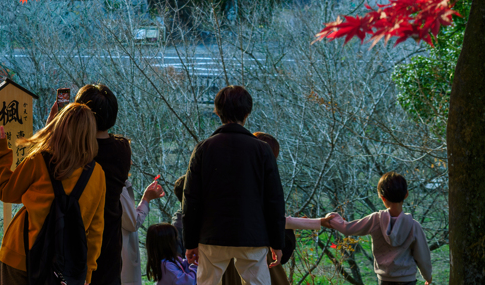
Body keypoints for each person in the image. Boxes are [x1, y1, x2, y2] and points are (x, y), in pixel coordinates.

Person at [0, 101, 107, 285]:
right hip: (63, 267)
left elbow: (7, 192)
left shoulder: (39, 159)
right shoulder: (97, 173)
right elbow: (96, 228)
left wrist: (1, 151)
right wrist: (87, 272)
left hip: (20, 255)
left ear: (59, 127)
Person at [182, 85, 285, 285]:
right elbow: (274, 200)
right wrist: (277, 243)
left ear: (217, 112)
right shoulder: (262, 150)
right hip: (253, 235)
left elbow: (191, 199)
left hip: (211, 235)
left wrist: (190, 243)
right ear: (247, 113)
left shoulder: (204, 149)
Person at [220, 132, 341, 285]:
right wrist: (319, 222)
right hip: (256, 252)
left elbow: (276, 220)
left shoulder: (234, 177)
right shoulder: (259, 183)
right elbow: (277, 221)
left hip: (230, 251)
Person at [71, 83, 132, 285]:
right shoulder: (122, 149)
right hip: (109, 241)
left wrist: (55, 124)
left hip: (75, 236)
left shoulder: (74, 152)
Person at [327, 172, 432, 285]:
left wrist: (333, 218)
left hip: (384, 280)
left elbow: (347, 229)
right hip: (407, 281)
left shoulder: (375, 220)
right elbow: (423, 256)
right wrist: (428, 276)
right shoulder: (414, 226)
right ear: (406, 194)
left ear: (382, 197)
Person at [120, 178, 165, 285]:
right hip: (121, 263)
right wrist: (146, 199)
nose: (131, 163)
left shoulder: (122, 184)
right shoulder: (118, 188)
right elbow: (133, 223)